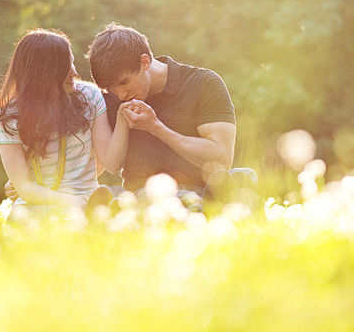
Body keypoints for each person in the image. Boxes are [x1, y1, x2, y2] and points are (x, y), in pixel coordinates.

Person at [86, 22, 257, 209]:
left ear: (144, 62)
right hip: (144, 194)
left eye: (124, 82)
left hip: (201, 189)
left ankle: (202, 206)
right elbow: (112, 164)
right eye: (111, 89)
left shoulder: (204, 83)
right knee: (137, 196)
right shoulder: (110, 100)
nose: (121, 95)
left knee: (242, 175)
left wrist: (156, 127)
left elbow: (221, 158)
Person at [0, 28, 127, 220]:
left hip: (87, 199)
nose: (75, 73)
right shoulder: (9, 117)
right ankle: (93, 217)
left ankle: (95, 215)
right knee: (46, 218)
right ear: (44, 73)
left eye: (72, 63)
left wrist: (123, 121)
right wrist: (71, 201)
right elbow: (25, 189)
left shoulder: (90, 96)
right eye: (65, 67)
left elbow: (109, 163)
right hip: (37, 205)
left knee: (112, 198)